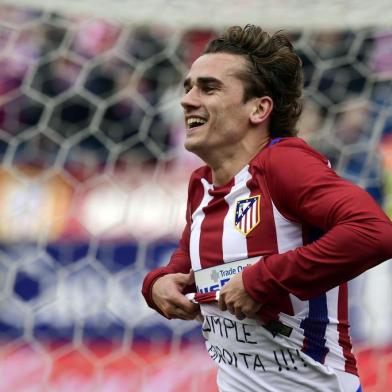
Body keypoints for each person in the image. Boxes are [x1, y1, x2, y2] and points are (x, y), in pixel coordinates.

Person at [142, 24, 392, 392]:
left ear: (259, 108)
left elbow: (375, 232)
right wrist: (158, 284)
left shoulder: (284, 164)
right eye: (189, 87)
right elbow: (187, 264)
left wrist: (264, 279)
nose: (188, 99)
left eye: (208, 88)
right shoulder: (202, 183)